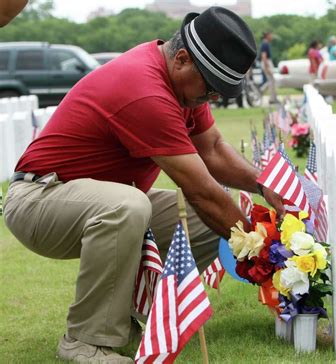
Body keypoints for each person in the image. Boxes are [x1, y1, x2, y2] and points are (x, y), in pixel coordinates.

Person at [3, 7, 284, 363]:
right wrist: (263, 248)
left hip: (92, 196)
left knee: (201, 227)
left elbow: (212, 149)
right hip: (39, 199)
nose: (213, 98)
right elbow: (200, 191)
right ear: (182, 58)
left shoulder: (181, 82)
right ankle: (85, 341)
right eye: (212, 88)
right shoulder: (145, 90)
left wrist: (265, 184)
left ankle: (131, 315)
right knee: (131, 206)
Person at [259, 31, 279, 104]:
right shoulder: (265, 43)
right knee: (271, 81)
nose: (272, 36)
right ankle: (271, 98)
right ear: (267, 35)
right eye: (271, 35)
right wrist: (267, 67)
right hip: (266, 62)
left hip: (267, 62)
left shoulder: (266, 43)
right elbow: (264, 56)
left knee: (271, 81)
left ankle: (272, 98)